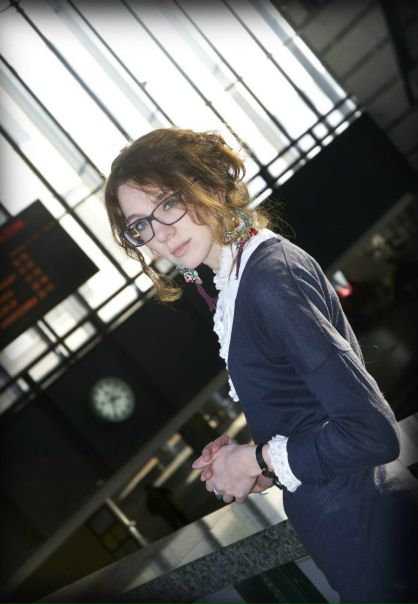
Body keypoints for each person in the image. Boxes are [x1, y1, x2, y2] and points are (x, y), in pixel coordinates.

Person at [105, 127, 418, 603]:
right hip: (363, 544)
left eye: (168, 203)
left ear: (211, 187)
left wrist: (254, 458)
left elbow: (370, 433)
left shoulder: (269, 279)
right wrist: (261, 468)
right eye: (140, 225)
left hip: (380, 550)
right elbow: (313, 417)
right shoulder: (240, 280)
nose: (160, 233)